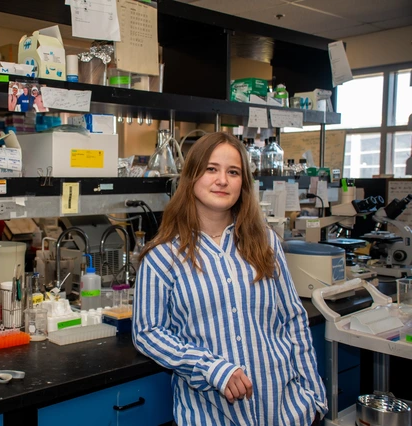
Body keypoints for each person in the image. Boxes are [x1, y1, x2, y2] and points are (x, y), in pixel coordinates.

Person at [132, 132, 327, 425]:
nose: (222, 180)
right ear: (191, 177)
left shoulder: (266, 242)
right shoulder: (162, 257)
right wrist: (211, 368)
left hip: (286, 411)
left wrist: (314, 398)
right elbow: (148, 332)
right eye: (211, 169)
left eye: (233, 172)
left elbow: (292, 320)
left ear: (243, 184)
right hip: (212, 414)